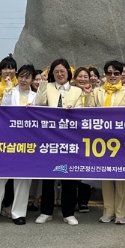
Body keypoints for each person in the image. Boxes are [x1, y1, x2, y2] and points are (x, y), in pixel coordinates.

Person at [0, 64, 37, 226]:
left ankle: (19, 213)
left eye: (27, 77)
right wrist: (6, 89)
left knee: (23, 178)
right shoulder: (9, 91)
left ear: (32, 79)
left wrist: (35, 110)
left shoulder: (36, 97)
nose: (23, 80)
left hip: (27, 142)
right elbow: (2, 110)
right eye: (21, 76)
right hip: (5, 141)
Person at [34, 58, 84, 225]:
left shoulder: (77, 90)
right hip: (50, 138)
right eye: (56, 72)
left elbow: (81, 111)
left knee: (69, 177)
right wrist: (42, 83)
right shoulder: (47, 86)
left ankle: (68, 213)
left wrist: (73, 110)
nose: (60, 74)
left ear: (68, 73)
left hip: (70, 138)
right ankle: (46, 211)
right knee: (48, 176)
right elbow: (40, 103)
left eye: (62, 71)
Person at [91, 60, 125, 224]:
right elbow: (89, 111)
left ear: (121, 75)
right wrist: (88, 95)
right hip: (102, 140)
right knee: (106, 176)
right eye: (109, 72)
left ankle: (121, 213)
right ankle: (108, 211)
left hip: (121, 140)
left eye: (116, 73)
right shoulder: (97, 91)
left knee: (122, 177)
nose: (112, 76)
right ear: (105, 74)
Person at [73, 66, 94, 213]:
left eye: (85, 76)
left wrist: (88, 95)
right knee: (73, 169)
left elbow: (93, 110)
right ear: (74, 79)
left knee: (85, 169)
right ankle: (72, 200)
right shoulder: (70, 91)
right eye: (80, 76)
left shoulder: (94, 92)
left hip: (88, 136)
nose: (82, 79)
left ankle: (83, 201)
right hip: (72, 135)